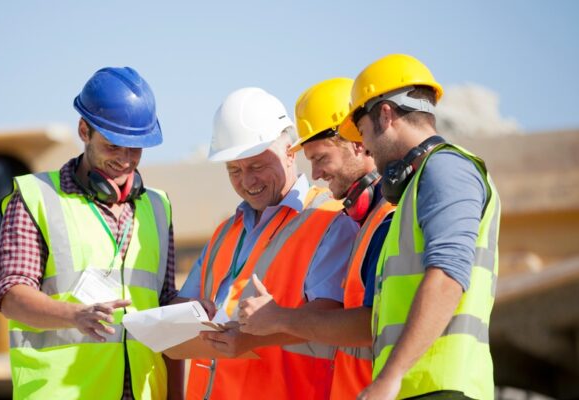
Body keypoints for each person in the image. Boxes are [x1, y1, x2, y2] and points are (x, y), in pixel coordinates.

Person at [0, 66, 182, 400]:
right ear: (84, 130)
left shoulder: (158, 207)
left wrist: (201, 310)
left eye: (135, 150)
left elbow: (165, 303)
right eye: (113, 147)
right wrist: (75, 315)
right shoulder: (37, 198)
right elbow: (11, 296)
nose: (125, 161)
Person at [176, 87, 359, 399]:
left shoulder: (330, 221)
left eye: (257, 166)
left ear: (290, 152)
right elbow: (185, 303)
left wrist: (252, 338)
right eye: (234, 170)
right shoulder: (226, 232)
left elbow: (329, 319)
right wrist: (188, 313)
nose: (247, 181)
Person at [338, 54, 501, 400]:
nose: (364, 146)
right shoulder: (416, 186)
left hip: (441, 387)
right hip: (422, 387)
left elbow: (447, 276)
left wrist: (390, 377)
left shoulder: (445, 169)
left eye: (363, 131)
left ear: (385, 115)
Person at [237, 77, 395, 400]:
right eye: (310, 161)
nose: (316, 174)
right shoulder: (364, 220)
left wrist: (277, 318)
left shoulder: (387, 218)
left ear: (358, 143)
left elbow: (369, 325)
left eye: (321, 158)